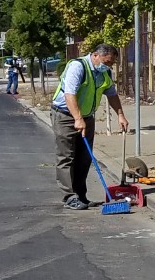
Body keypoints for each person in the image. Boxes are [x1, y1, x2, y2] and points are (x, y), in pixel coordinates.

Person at [52, 44, 129, 210]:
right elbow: (69, 94)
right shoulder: (78, 66)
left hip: (87, 117)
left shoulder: (105, 72)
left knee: (85, 157)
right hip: (65, 116)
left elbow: (112, 94)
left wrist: (120, 115)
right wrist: (77, 118)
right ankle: (69, 197)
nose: (109, 66)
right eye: (107, 62)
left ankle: (80, 195)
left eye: (111, 63)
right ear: (95, 55)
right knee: (66, 157)